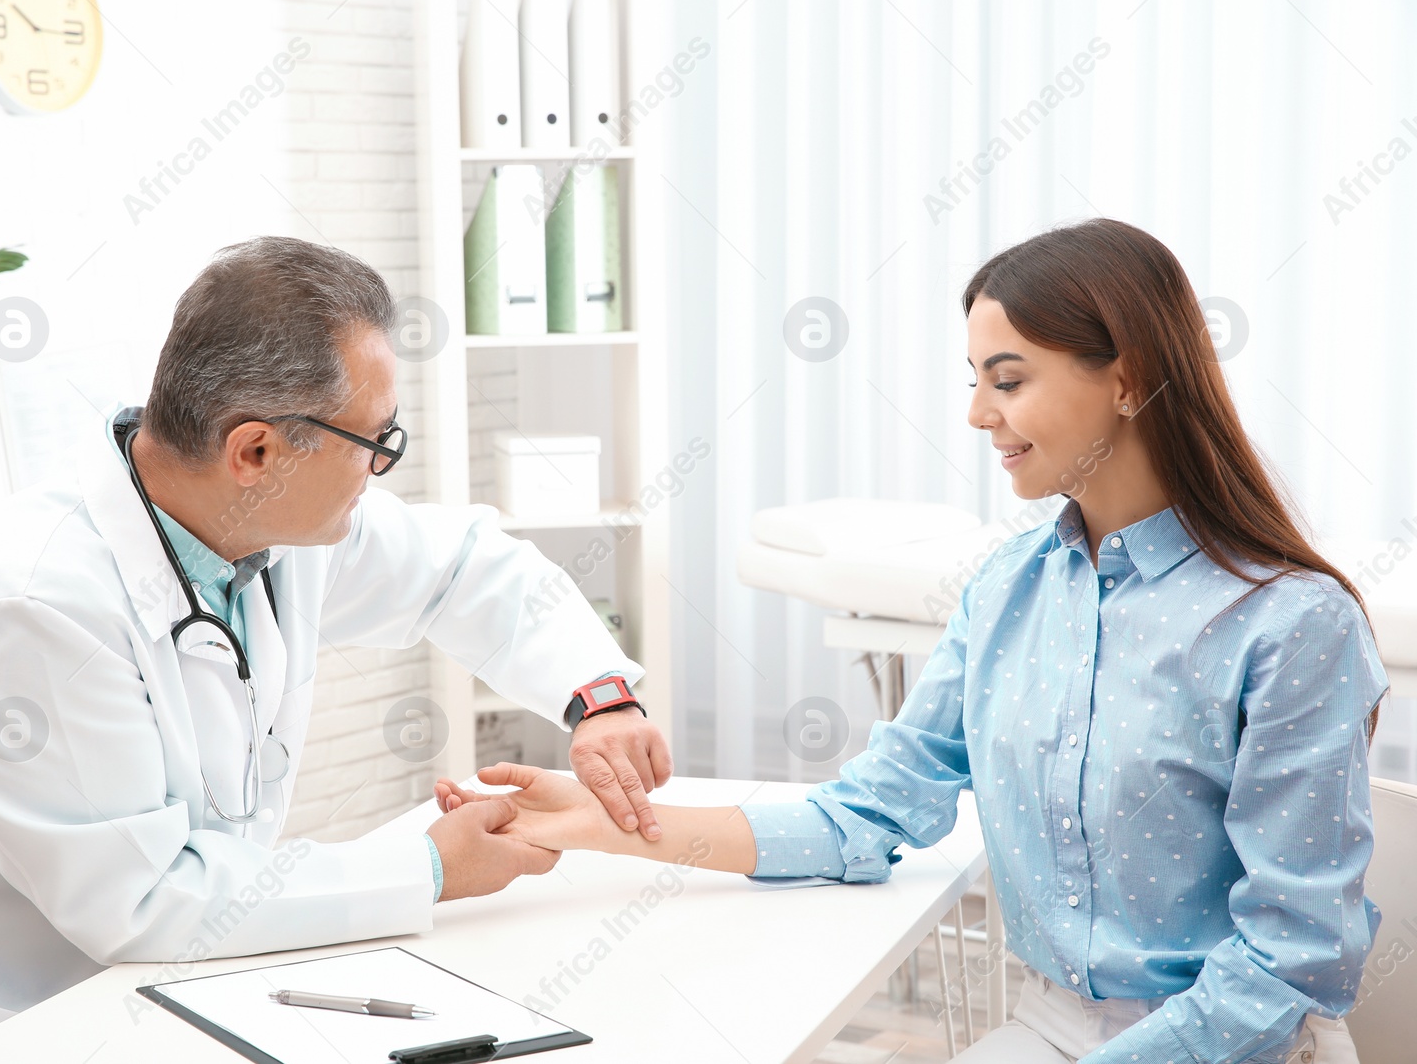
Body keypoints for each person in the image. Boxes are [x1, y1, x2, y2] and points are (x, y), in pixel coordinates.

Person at [436, 219, 1387, 1064]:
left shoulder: (1290, 623)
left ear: (1129, 377)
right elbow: (865, 815)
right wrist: (611, 826)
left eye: (1007, 380)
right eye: (974, 381)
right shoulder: (1007, 591)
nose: (979, 414)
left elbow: (1294, 954)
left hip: (1237, 1043)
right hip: (1049, 1028)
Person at [0, 236, 672, 1064]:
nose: (381, 471)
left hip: (159, 992)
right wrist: (430, 866)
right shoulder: (36, 605)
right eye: (375, 444)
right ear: (255, 449)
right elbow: (143, 898)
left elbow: (460, 568)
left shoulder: (268, 529)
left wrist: (599, 697)